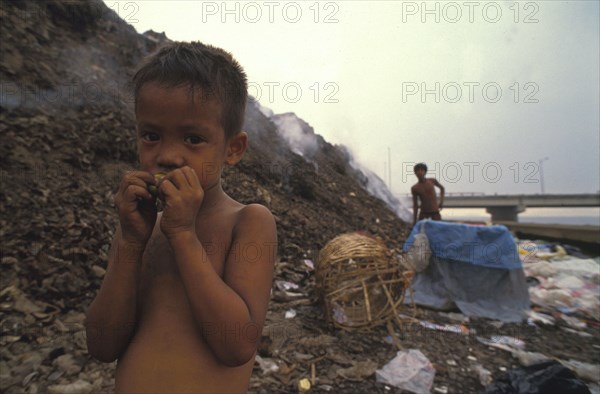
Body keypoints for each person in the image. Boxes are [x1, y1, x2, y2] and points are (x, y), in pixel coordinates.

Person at [85, 42, 277, 394]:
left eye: (193, 138)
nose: (169, 156)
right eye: (152, 136)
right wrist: (130, 243)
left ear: (232, 149)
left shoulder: (248, 222)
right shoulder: (138, 229)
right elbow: (102, 346)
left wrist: (184, 236)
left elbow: (236, 347)